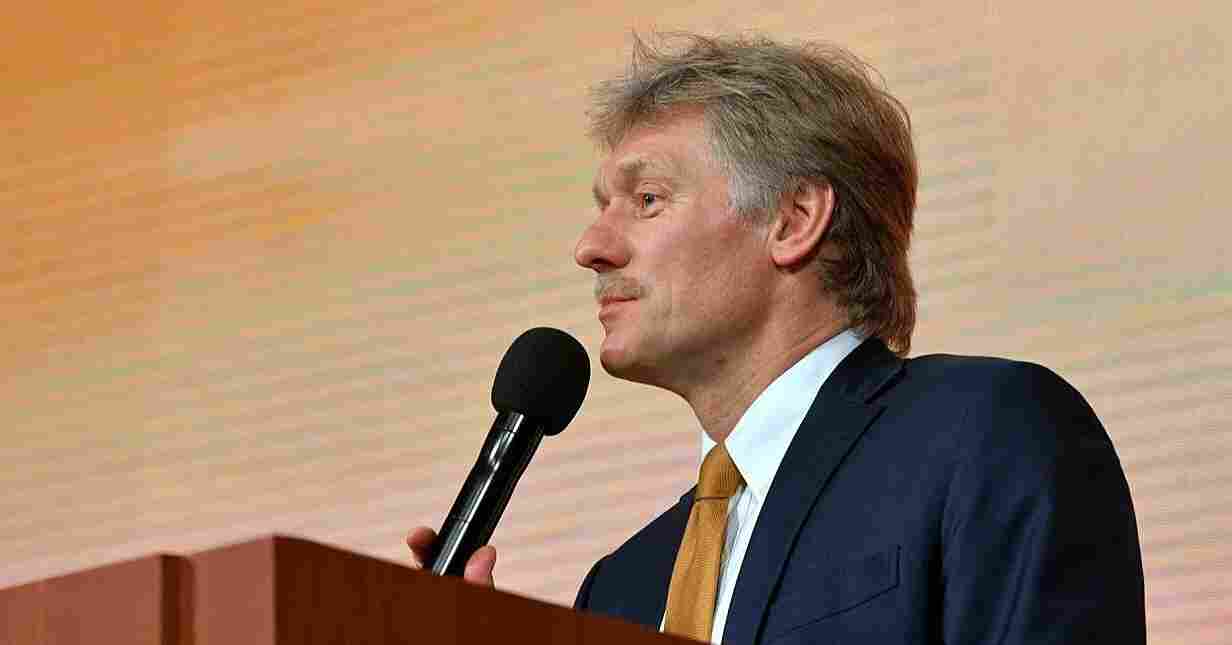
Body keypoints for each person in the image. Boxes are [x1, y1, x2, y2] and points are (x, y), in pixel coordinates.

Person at [409, 33, 1145, 644]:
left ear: (793, 220)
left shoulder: (986, 432)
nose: (591, 248)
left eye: (647, 199)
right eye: (603, 207)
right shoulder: (622, 587)